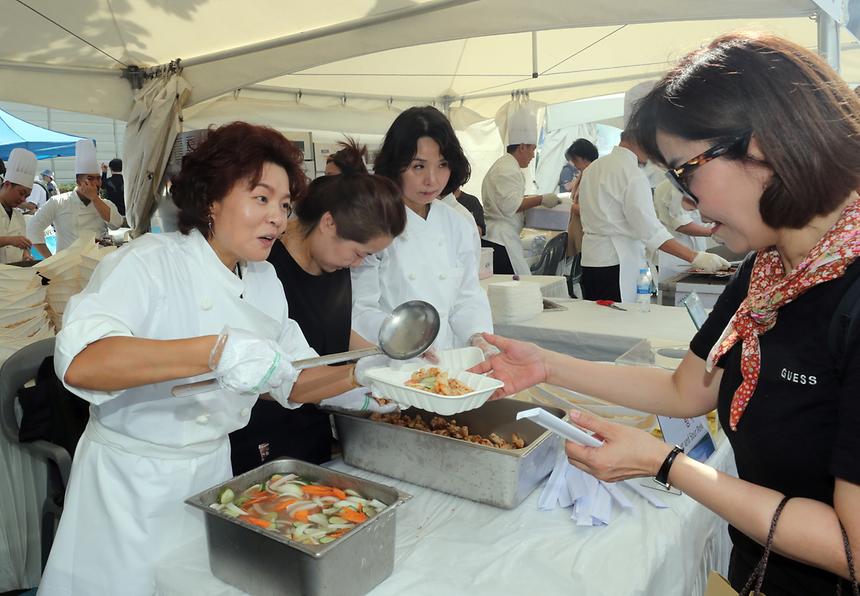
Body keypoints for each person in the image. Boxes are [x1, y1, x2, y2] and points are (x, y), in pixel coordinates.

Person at [474, 32, 860, 596]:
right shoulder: (769, 269)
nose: (684, 200)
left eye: (687, 171)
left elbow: (850, 548)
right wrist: (545, 366)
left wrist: (666, 464)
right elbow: (688, 389)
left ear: (766, 147)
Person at [37, 122, 382, 595]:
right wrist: (215, 352)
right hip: (131, 485)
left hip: (212, 476)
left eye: (284, 205)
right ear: (212, 199)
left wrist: (365, 372)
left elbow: (295, 380)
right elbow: (83, 361)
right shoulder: (149, 262)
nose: (277, 218)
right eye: (261, 199)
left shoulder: (263, 281)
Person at [230, 172, 406, 474]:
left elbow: (332, 328)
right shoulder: (265, 268)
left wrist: (391, 357)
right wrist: (358, 376)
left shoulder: (334, 261)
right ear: (329, 223)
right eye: (358, 252)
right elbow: (276, 378)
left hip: (315, 422)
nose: (358, 263)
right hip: (265, 429)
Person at [351, 106, 494, 355]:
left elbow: (467, 295)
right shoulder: (375, 222)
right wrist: (404, 339)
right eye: (418, 166)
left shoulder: (457, 223)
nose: (432, 180)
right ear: (396, 165)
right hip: (391, 358)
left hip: (447, 357)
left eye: (442, 165)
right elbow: (361, 308)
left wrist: (478, 336)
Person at [577, 129, 729, 302]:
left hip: (591, 260)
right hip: (617, 262)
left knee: (595, 321)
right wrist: (695, 257)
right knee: (617, 321)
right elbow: (650, 231)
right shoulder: (632, 174)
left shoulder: (593, 168)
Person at [482, 108, 561, 276]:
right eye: (532, 149)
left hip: (500, 236)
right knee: (516, 285)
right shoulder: (508, 169)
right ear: (522, 147)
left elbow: (510, 198)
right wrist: (541, 199)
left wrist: (531, 198)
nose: (533, 155)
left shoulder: (506, 165)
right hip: (500, 239)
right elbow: (512, 204)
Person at [27, 140, 123, 257]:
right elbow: (33, 228)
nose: (96, 183)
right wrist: (50, 260)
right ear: (78, 181)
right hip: (68, 266)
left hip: (100, 264)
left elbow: (117, 223)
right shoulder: (58, 202)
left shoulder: (105, 204)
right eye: (90, 179)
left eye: (98, 178)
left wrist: (95, 198)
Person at [652, 179, 714, 282]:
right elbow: (682, 225)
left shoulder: (697, 184)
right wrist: (715, 233)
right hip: (672, 259)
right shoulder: (675, 186)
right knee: (672, 292)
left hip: (694, 258)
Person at [562, 138, 599, 258]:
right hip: (576, 229)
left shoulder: (595, 175)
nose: (574, 163)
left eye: (575, 159)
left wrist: (571, 206)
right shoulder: (583, 173)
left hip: (585, 232)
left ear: (584, 158)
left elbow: (592, 209)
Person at [0, 148, 37, 263]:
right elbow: (13, 241)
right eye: (21, 193)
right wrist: (9, 240)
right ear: (7, 185)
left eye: (26, 196)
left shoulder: (18, 216)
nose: (22, 199)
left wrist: (26, 255)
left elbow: (23, 246)